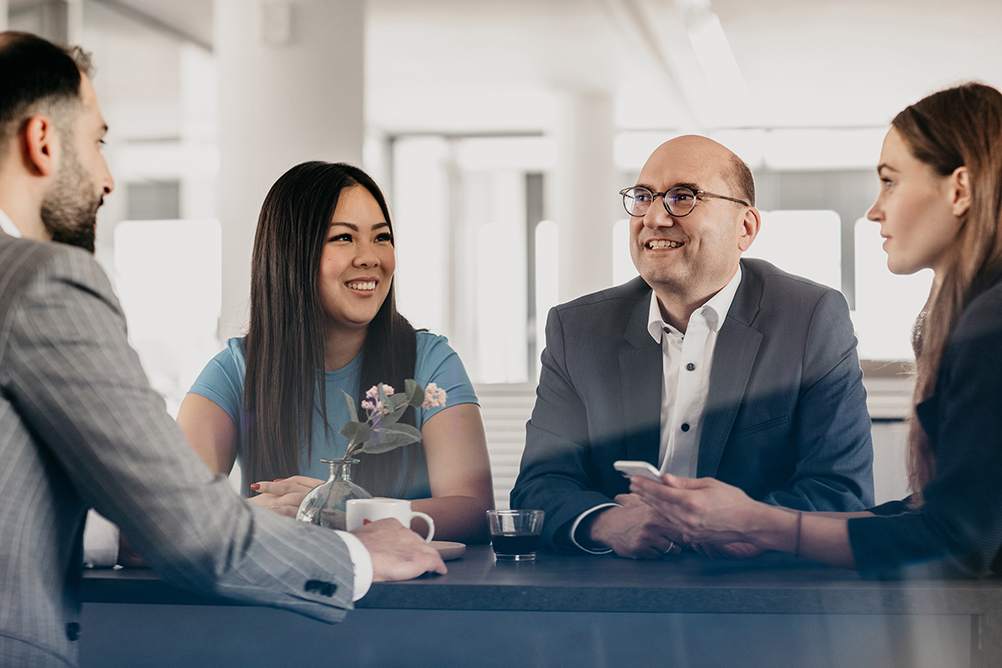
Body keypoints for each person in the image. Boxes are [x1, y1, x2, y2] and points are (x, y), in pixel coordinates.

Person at [0, 31, 444, 668]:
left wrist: (118, 528)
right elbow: (183, 525)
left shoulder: (425, 355)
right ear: (42, 141)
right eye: (96, 142)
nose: (107, 178)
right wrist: (357, 554)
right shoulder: (41, 282)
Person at [628, 83, 1002, 579]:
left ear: (960, 190)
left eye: (890, 182)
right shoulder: (980, 315)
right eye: (643, 197)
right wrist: (751, 519)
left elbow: (961, 537)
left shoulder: (989, 325)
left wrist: (756, 523)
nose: (874, 209)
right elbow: (940, 510)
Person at [511, 135, 874, 558]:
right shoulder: (578, 329)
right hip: (617, 578)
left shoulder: (809, 318)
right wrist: (608, 523)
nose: (654, 217)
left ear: (745, 228)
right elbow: (540, 485)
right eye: (643, 197)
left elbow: (841, 491)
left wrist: (743, 525)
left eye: (683, 197)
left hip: (754, 583)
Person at [174, 161, 494, 543]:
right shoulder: (236, 371)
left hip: (413, 579)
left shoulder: (431, 363)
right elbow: (167, 517)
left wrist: (342, 512)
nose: (371, 257)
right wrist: (248, 518)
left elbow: (473, 510)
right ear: (292, 253)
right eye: (344, 237)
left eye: (381, 237)